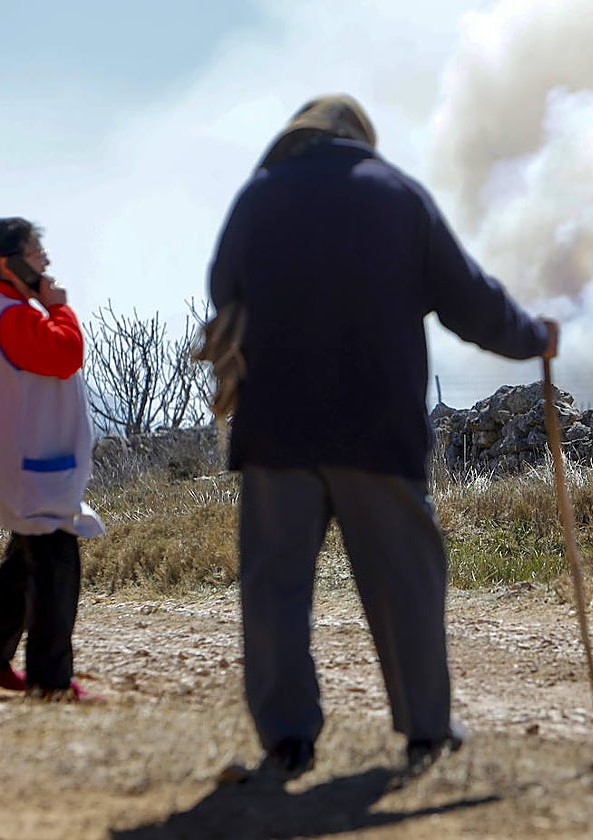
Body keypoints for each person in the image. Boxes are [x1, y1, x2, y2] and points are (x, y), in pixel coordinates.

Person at [207, 94, 558, 781]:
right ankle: (426, 730)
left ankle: (287, 740)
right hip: (377, 428)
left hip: (275, 428)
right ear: (360, 137)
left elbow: (223, 287)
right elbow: (470, 301)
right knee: (406, 583)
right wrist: (532, 337)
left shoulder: (258, 197)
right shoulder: (399, 196)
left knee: (275, 588)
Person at [0, 217, 105, 702]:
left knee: (30, 555)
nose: (46, 262)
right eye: (38, 254)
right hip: (32, 469)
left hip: (23, 465)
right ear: (10, 262)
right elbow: (65, 355)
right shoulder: (13, 315)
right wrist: (59, 308)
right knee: (56, 562)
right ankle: (51, 682)